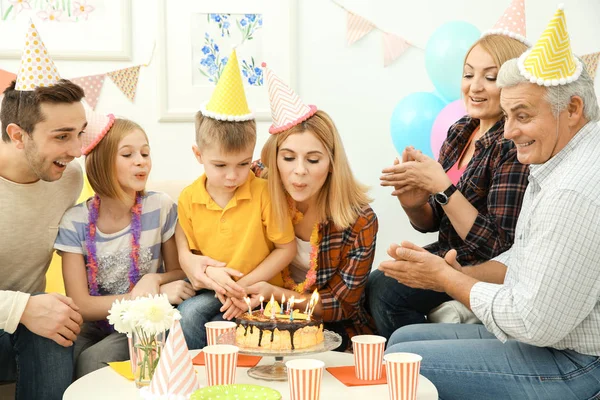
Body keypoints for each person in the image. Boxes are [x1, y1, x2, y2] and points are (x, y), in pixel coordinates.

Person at [382, 6, 600, 399]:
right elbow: (522, 257)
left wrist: (449, 279)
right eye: (468, 74)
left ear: (572, 110)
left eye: (522, 115)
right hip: (545, 334)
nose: (510, 131)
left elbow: (534, 322)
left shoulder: (572, 190)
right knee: (400, 339)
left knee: (403, 358)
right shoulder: (553, 162)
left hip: (576, 362)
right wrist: (437, 258)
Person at [369, 31, 531, 338]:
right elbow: (434, 222)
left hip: (480, 265)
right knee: (378, 280)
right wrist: (415, 202)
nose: (475, 86)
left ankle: (424, 367)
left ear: (514, 84)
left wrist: (442, 187)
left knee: (388, 293)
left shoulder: (512, 146)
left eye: (491, 77)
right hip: (448, 251)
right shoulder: (461, 131)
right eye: (469, 74)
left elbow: (498, 245)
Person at [228, 64, 379, 352]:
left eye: (313, 160)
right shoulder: (256, 180)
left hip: (330, 329)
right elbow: (202, 203)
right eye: (288, 158)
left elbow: (341, 305)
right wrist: (191, 261)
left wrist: (276, 294)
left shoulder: (360, 220)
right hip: (258, 316)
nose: (299, 172)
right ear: (274, 159)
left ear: (332, 164)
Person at [54, 109, 190, 378]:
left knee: (94, 360)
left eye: (145, 153)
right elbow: (81, 304)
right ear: (102, 163)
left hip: (145, 322)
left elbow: (180, 272)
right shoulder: (75, 221)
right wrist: (143, 296)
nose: (141, 162)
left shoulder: (159, 207)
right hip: (94, 322)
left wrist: (153, 278)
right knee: (58, 357)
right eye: (128, 155)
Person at [175, 50, 296, 350]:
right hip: (212, 293)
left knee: (269, 331)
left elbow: (286, 249)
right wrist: (215, 279)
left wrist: (243, 287)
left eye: (243, 164)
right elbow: (188, 255)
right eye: (220, 166)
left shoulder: (264, 192)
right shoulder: (189, 198)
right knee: (187, 316)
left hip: (258, 289)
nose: (233, 176)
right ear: (198, 155)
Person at [0, 23, 86, 400]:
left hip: (25, 330)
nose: (77, 149)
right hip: (17, 313)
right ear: (18, 135)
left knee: (58, 331)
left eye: (80, 133)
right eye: (62, 136)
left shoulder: (67, 179)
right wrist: (21, 308)